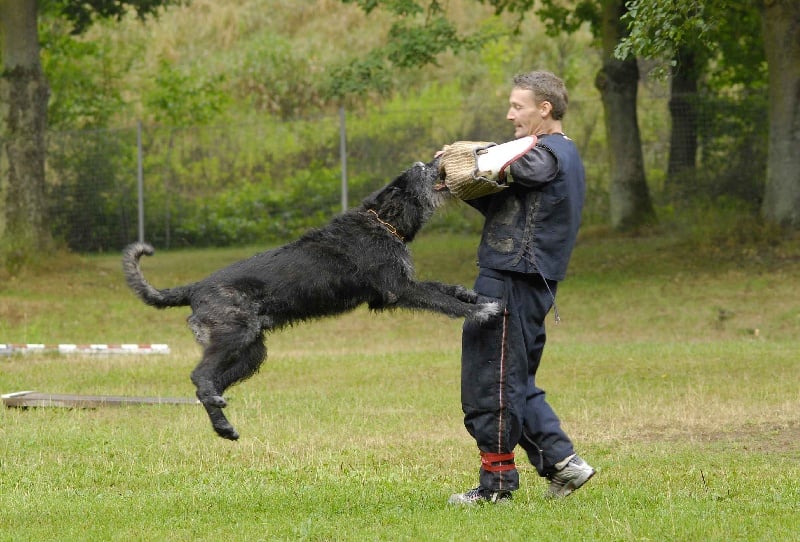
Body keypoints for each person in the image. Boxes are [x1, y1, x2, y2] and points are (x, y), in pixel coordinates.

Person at [443, 70, 595, 505]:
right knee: (514, 380)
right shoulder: (559, 155)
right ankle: (563, 464)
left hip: (510, 280)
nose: (510, 115)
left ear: (544, 109)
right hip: (524, 280)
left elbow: (513, 164)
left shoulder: (544, 153)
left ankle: (496, 489)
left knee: (491, 382)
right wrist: (460, 181)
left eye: (518, 106)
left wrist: (467, 157)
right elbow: (505, 202)